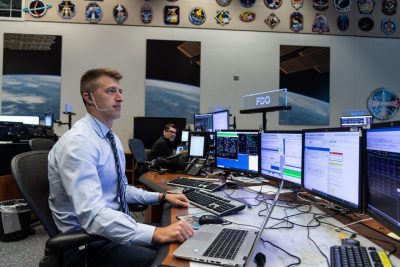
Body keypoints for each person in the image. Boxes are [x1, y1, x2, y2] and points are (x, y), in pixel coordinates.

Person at [48, 68, 194, 267]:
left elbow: (121, 190)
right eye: (110, 91)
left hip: (110, 230)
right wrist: (156, 233)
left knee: (184, 243)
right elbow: (92, 215)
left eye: (120, 91)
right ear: (88, 98)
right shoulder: (78, 143)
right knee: (172, 260)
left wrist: (161, 197)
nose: (120, 98)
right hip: (89, 244)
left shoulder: (111, 139)